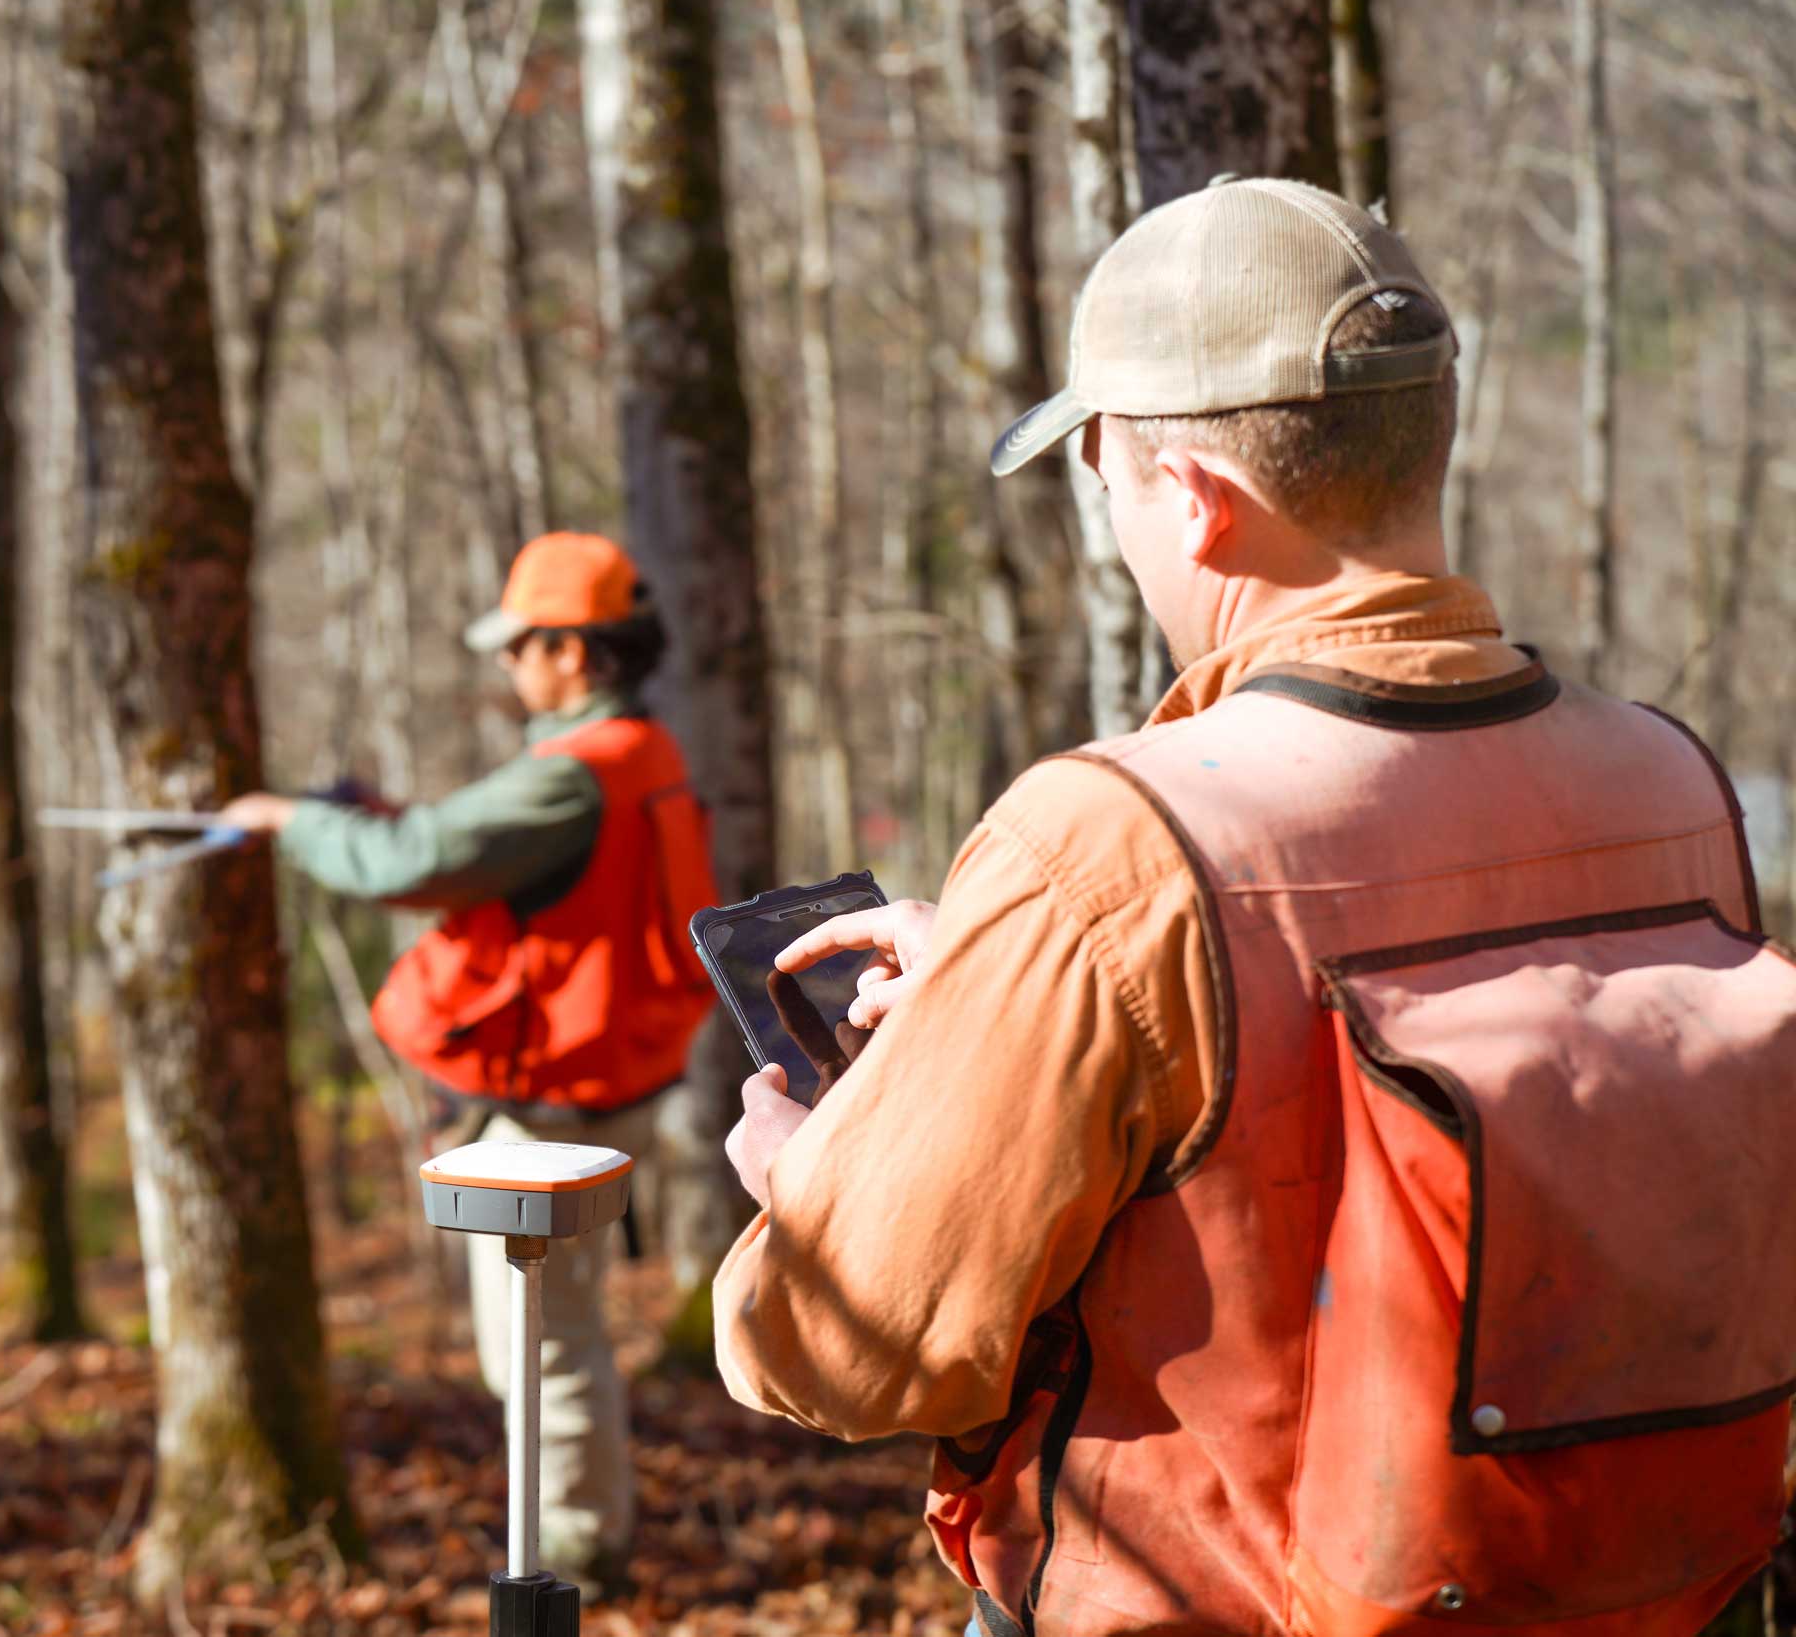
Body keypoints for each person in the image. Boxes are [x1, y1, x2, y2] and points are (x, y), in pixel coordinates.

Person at [711, 178, 1796, 1637]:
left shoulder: (1109, 844)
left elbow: (856, 1352)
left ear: (1198, 503)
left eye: (1106, 482)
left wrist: (815, 1175)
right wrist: (1012, 973)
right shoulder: (1669, 783)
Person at [224, 530, 717, 1594]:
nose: (507, 667)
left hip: (551, 1111)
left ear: (575, 654)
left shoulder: (575, 775)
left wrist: (293, 820)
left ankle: (573, 1562)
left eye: (520, 646)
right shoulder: (645, 752)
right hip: (616, 1081)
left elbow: (416, 862)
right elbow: (477, 851)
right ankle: (588, 1539)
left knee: (541, 1345)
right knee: (560, 1332)